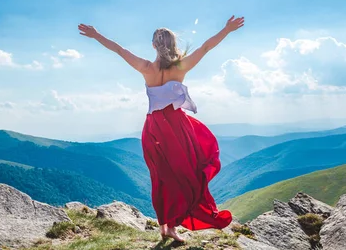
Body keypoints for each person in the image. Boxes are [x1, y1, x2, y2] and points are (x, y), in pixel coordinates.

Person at [78, 15, 245, 242]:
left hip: (154, 128)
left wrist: (96, 35)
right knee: (184, 176)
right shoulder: (181, 66)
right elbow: (206, 47)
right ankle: (171, 227)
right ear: (173, 44)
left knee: (162, 178)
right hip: (176, 128)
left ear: (154, 45)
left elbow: (119, 49)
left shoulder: (146, 67)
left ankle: (166, 227)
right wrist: (227, 29)